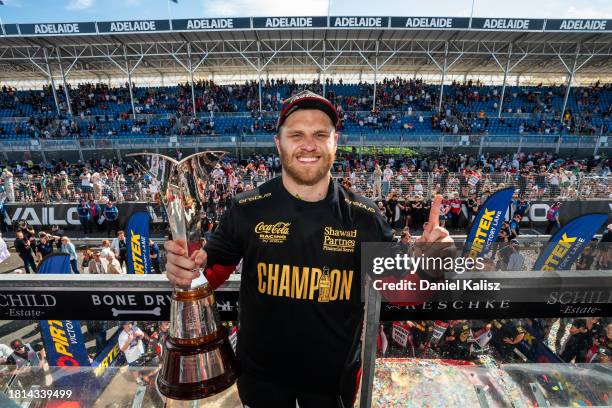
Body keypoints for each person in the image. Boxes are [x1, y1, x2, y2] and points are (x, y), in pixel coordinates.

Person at [164, 90, 453, 408]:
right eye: (296, 134)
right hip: (261, 380)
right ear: (279, 143)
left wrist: (431, 264)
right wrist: (185, 269)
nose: (309, 145)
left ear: (335, 142)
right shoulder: (246, 208)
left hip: (332, 383)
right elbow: (209, 273)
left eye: (320, 134)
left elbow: (403, 293)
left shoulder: (364, 217)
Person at [117, 321, 147, 385]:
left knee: (141, 363)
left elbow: (142, 336)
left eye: (130, 323)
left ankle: (141, 375)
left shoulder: (135, 328)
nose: (129, 325)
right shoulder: (122, 336)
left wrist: (140, 334)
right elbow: (122, 349)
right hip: (131, 355)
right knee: (134, 367)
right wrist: (128, 341)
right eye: (126, 324)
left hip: (139, 350)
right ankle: (138, 380)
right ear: (123, 326)